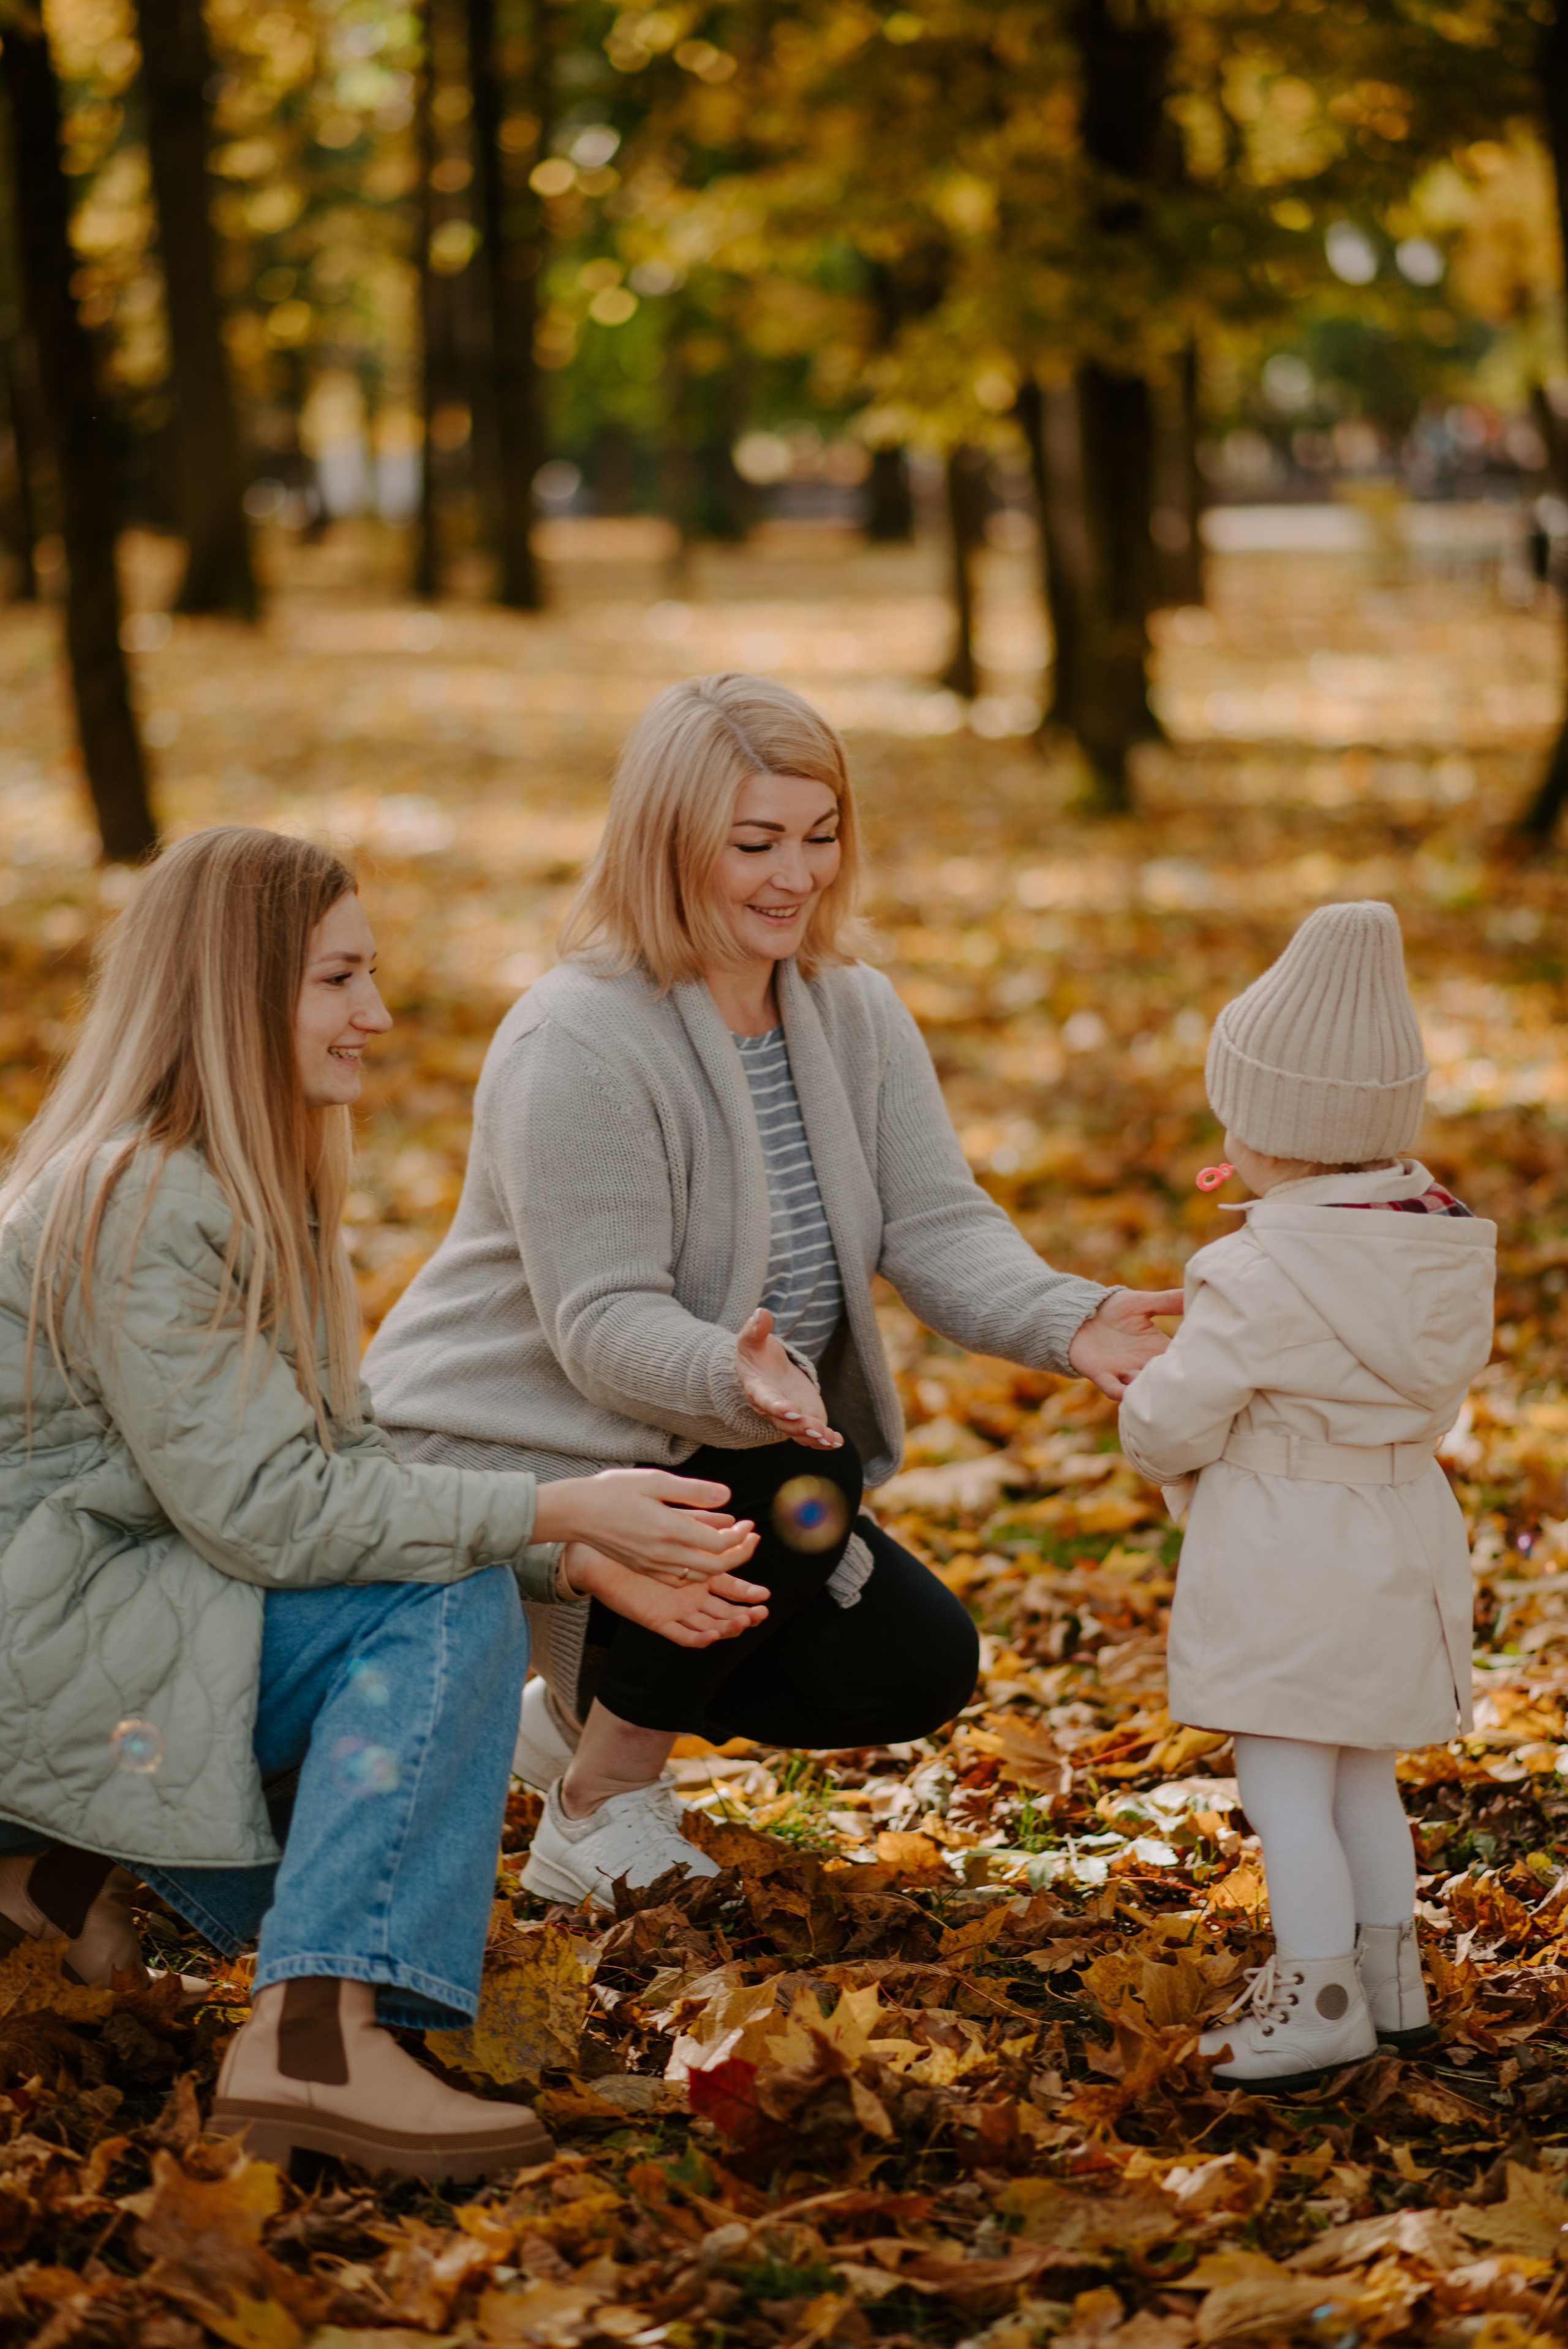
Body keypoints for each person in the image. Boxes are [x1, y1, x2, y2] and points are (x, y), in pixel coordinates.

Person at [0, 826, 767, 2180]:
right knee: (435, 1607)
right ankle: (313, 2036)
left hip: (90, 1629)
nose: (378, 1014)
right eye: (338, 980)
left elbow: (330, 1476)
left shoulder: (233, 1191)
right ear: (235, 997)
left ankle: (56, 1881)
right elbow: (270, 1516)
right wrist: (550, 1514)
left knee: (452, 1596)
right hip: (48, 1638)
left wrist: (570, 1565)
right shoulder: (149, 1202)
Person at [364, 672, 1182, 1908]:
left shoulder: (848, 1011)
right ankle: (600, 1807)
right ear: (666, 845)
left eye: (817, 836)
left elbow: (937, 1221)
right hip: (507, 1452)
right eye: (753, 844)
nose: (792, 876)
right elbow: (596, 1323)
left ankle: (559, 1728)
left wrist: (1069, 1316)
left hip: (724, 1448)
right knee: (796, 1480)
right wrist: (728, 1372)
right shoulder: (573, 1039)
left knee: (911, 1666)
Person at [1119, 901, 1496, 2092]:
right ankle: (1392, 1983)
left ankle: (1316, 1990)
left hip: (1290, 1551)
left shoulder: (1252, 1266)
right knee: (1359, 1776)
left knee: (1283, 1787)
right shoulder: (1438, 1246)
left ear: (1273, 1130)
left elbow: (1178, 1414)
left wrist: (1142, 1398)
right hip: (1400, 1534)